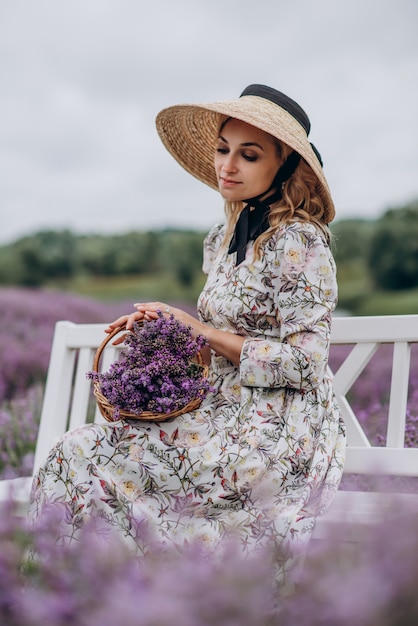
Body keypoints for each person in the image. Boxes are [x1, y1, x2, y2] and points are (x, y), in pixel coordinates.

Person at [29, 84, 346, 583]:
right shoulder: (225, 238)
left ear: (284, 167)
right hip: (216, 412)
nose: (228, 165)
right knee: (79, 452)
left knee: (82, 452)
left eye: (249, 154)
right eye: (224, 149)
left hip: (274, 433)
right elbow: (215, 333)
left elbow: (306, 363)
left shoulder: (299, 240)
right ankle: (77, 598)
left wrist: (197, 328)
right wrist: (165, 328)